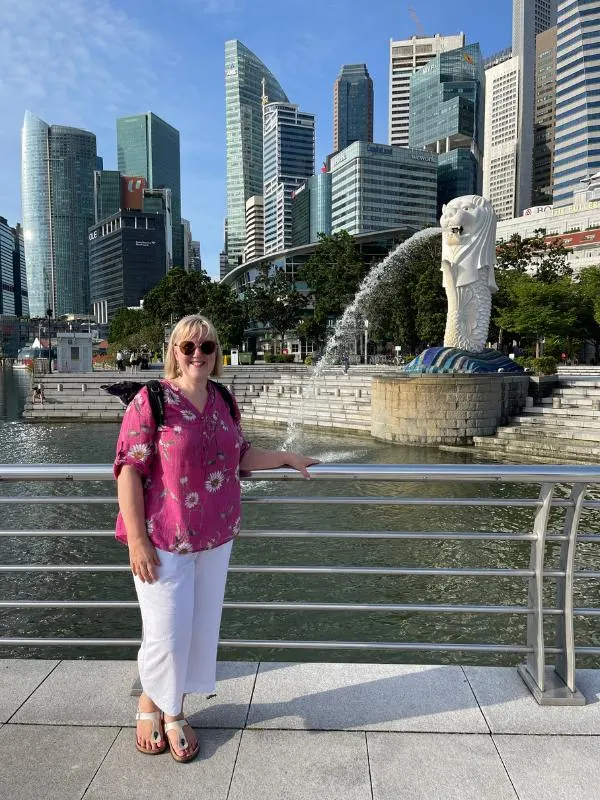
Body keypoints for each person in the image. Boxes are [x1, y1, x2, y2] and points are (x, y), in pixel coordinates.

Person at [114, 314, 318, 763]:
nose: (197, 355)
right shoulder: (152, 400)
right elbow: (129, 469)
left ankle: (169, 705)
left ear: (217, 354)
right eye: (188, 347)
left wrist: (285, 456)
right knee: (166, 631)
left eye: (206, 347)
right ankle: (160, 706)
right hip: (164, 538)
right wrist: (136, 540)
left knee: (197, 629)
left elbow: (240, 454)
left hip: (216, 535)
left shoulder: (224, 398)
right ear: (174, 352)